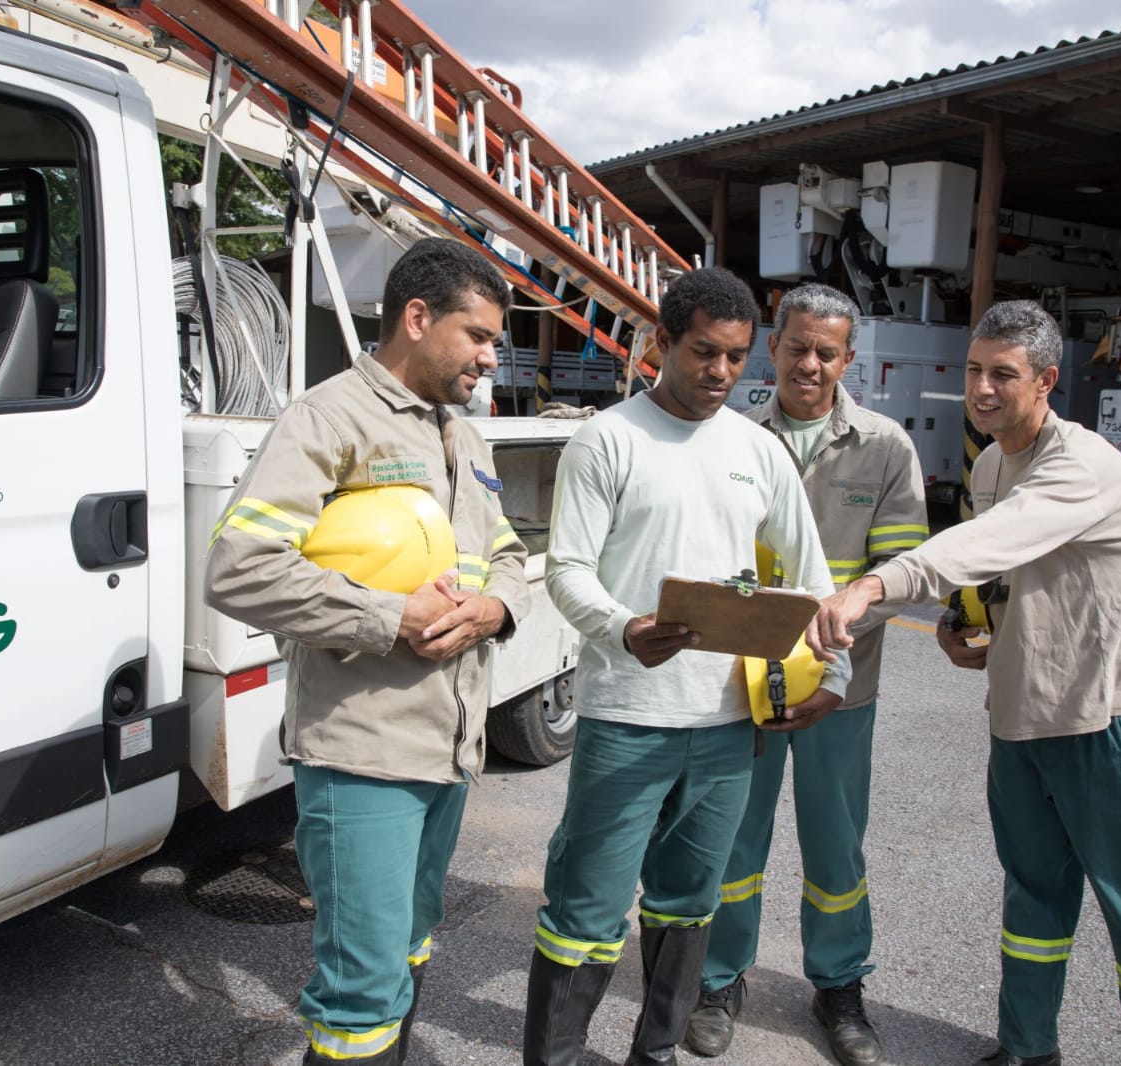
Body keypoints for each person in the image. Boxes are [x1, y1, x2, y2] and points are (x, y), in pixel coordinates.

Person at [807, 300, 1121, 1066]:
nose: (983, 389)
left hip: (1104, 726)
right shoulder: (993, 460)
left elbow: (994, 537)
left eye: (1003, 375)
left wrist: (872, 587)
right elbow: (997, 574)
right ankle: (1029, 1049)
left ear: (1046, 382)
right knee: (1032, 900)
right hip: (1023, 719)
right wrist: (966, 630)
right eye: (973, 371)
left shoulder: (1084, 465)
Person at [205, 238, 529, 1066]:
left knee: (410, 949)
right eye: (480, 335)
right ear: (417, 319)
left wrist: (495, 606)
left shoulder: (464, 436)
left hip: (448, 746)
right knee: (359, 990)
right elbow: (239, 568)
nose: (494, 358)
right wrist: (387, 617)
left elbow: (511, 554)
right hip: (364, 754)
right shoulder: (329, 417)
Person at [524, 267, 851, 1066]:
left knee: (688, 903)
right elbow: (566, 569)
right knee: (588, 907)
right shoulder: (609, 439)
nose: (721, 374)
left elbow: (812, 581)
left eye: (738, 359)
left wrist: (832, 676)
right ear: (659, 343)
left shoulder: (757, 449)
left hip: (724, 727)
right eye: (704, 352)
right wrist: (621, 627)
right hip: (627, 719)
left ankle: (655, 1053)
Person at [683, 284, 926, 1066]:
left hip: (839, 689)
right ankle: (719, 979)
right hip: (740, 686)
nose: (810, 364)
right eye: (797, 348)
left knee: (835, 847)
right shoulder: (728, 436)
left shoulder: (887, 446)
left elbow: (900, 572)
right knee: (732, 840)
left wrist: (833, 658)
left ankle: (840, 985)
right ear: (773, 349)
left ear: (849, 358)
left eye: (827, 352)